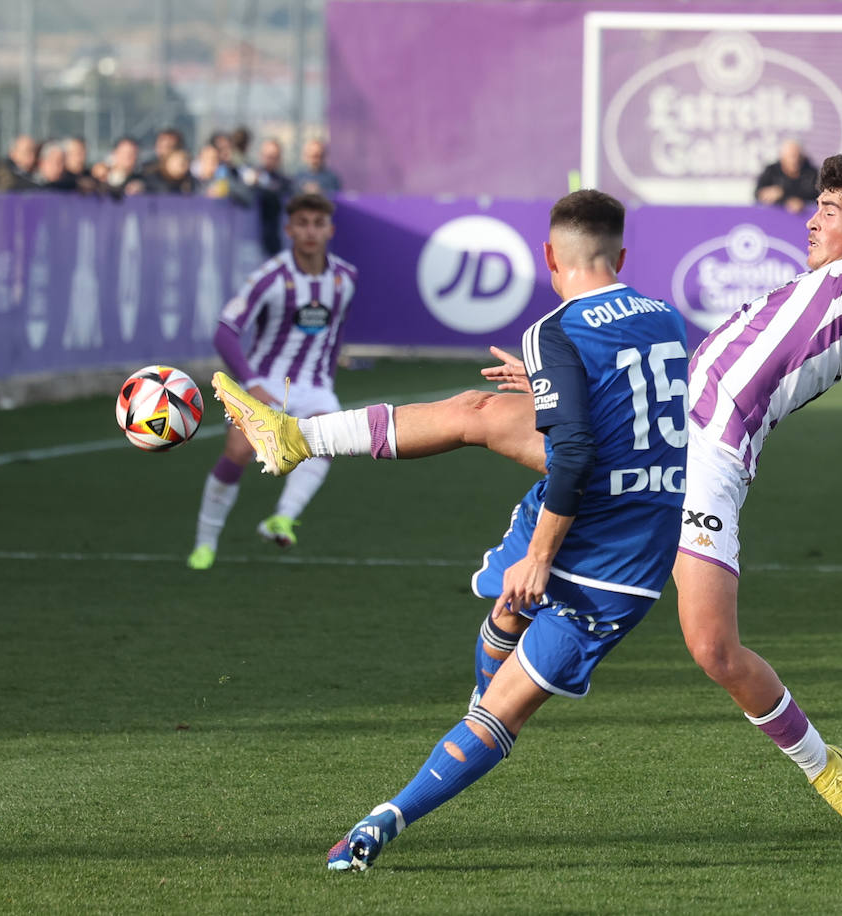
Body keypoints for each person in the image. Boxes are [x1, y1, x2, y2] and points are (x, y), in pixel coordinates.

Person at [218, 63, 842, 832]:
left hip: (707, 468)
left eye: (830, 209)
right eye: (815, 206)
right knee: (481, 408)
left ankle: (826, 768)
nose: (814, 220)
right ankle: (294, 437)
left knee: (715, 650)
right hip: (650, 429)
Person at [215, 189, 689, 870]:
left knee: (500, 714)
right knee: (479, 409)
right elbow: (635, 397)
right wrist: (548, 386)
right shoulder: (665, 315)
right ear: (623, 256)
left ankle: (385, 819)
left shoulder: (555, 329)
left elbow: (578, 454)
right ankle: (294, 437)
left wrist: (539, 556)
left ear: (549, 256)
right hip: (633, 502)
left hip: (607, 555)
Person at [185, 193, 356, 570]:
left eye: (317, 223)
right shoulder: (270, 277)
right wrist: (252, 382)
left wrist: (327, 378)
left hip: (314, 386)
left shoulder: (345, 279)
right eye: (302, 223)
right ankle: (205, 543)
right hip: (267, 381)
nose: (310, 231)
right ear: (289, 229)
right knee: (239, 453)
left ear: (330, 230)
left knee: (332, 439)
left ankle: (281, 518)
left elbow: (335, 332)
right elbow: (225, 332)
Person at [755, 139, 819, 214]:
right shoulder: (771, 171)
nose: (795, 160)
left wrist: (802, 202)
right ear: (782, 157)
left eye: (797, 156)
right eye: (791, 156)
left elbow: (817, 195)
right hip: (775, 218)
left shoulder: (812, 173)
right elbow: (758, 193)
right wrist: (765, 194)